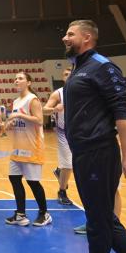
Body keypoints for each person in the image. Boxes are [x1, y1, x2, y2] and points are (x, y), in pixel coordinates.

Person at [62, 20, 126, 253]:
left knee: (98, 224)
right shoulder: (78, 68)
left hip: (99, 151)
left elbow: (122, 112)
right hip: (83, 153)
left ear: (87, 37)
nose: (64, 38)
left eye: (70, 34)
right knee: (102, 218)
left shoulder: (102, 66)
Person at [4, 72, 51, 227]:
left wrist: (21, 116)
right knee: (14, 178)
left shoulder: (33, 99)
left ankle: (45, 213)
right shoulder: (16, 101)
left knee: (33, 182)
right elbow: (17, 121)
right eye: (15, 78)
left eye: (20, 78)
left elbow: (39, 120)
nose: (16, 80)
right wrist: (10, 124)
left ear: (29, 82)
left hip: (32, 147)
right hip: (18, 148)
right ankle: (20, 215)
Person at [42, 68, 73, 205]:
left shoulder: (84, 91)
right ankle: (62, 191)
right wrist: (55, 109)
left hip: (81, 133)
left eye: (71, 74)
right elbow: (44, 110)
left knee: (78, 164)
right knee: (68, 164)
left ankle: (60, 172)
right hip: (64, 132)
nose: (68, 76)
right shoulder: (58, 93)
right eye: (65, 74)